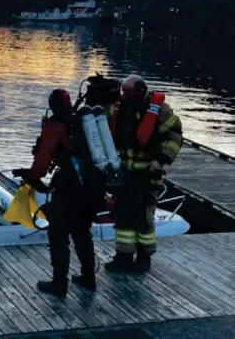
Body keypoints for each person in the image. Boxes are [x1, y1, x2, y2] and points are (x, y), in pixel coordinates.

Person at [14, 89, 106, 297]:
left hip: (68, 189)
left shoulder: (55, 126)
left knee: (58, 235)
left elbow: (42, 162)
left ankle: (59, 283)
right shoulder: (83, 123)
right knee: (82, 232)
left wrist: (31, 178)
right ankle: (88, 278)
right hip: (91, 186)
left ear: (52, 105)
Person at [104, 74, 183, 273]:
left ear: (140, 91)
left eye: (129, 94)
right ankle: (123, 256)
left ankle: (144, 257)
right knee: (122, 216)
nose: (126, 97)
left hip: (147, 175)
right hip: (124, 174)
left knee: (144, 217)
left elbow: (175, 136)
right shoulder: (119, 108)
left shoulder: (160, 111)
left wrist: (161, 160)